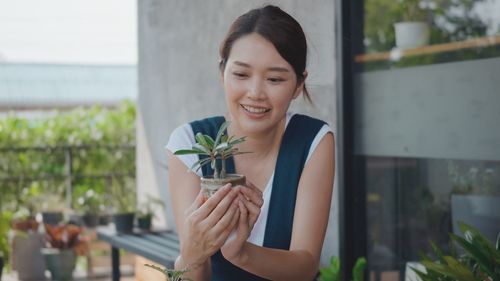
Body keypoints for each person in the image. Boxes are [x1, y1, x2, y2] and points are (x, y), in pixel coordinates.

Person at [165, 5, 335, 281]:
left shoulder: (313, 140)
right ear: (222, 73)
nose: (255, 93)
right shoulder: (189, 144)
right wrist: (192, 253)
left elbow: (305, 266)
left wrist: (239, 252)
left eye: (275, 79)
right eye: (241, 74)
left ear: (298, 85)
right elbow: (193, 275)